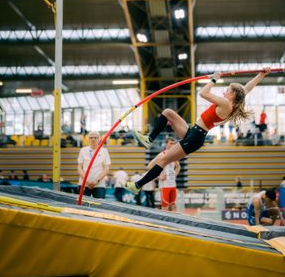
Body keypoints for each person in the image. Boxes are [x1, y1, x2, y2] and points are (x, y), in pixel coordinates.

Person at [126, 68, 271, 195]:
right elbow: (247, 88)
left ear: (232, 95)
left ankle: (137, 186)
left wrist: (214, 79)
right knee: (168, 112)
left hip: (195, 137)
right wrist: (261, 75)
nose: (224, 91)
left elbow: (203, 93)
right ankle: (149, 139)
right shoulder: (233, 102)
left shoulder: (226, 104)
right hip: (193, 131)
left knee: (163, 160)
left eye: (227, 90)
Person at [77, 131, 111, 198]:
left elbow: (106, 169)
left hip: (99, 184)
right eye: (91, 137)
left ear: (99, 139)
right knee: (83, 206)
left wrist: (96, 181)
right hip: (84, 184)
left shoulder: (104, 151)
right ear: (88, 139)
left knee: (100, 205)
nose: (93, 139)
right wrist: (86, 181)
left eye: (95, 137)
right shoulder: (83, 150)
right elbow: (79, 168)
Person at [154, 137, 181, 211]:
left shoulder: (174, 155)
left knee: (173, 205)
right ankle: (163, 222)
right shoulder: (161, 155)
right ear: (166, 144)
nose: (172, 145)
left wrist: (174, 175)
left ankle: (174, 222)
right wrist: (159, 176)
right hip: (164, 185)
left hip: (173, 184)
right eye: (171, 143)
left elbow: (178, 167)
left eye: (173, 144)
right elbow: (151, 168)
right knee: (165, 206)